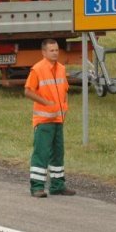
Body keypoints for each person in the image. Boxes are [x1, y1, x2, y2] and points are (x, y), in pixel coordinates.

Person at [24, 38, 75, 197]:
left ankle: (58, 185)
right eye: (51, 50)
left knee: (58, 153)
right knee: (42, 153)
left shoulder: (60, 68)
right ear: (44, 52)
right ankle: (37, 187)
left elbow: (64, 89)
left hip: (58, 120)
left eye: (56, 50)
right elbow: (28, 91)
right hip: (44, 121)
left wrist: (65, 107)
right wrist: (45, 102)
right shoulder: (37, 69)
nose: (55, 53)